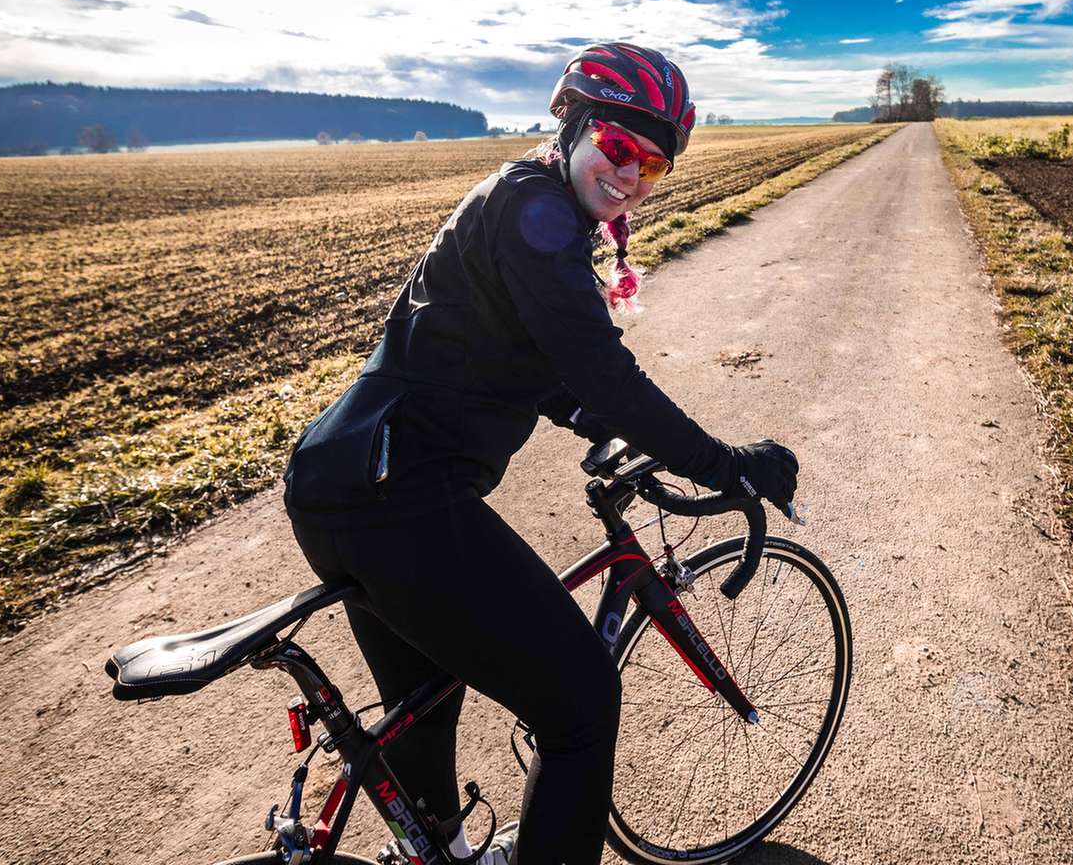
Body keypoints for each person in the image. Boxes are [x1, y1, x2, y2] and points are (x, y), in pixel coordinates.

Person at [281, 42, 799, 865]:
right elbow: (597, 366)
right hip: (399, 497)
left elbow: (539, 365)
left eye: (653, 166)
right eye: (619, 149)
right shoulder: (537, 213)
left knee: (423, 692)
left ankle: (438, 849)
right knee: (582, 704)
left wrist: (605, 431)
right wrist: (725, 463)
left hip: (341, 481)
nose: (631, 176)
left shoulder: (529, 206)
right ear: (575, 126)